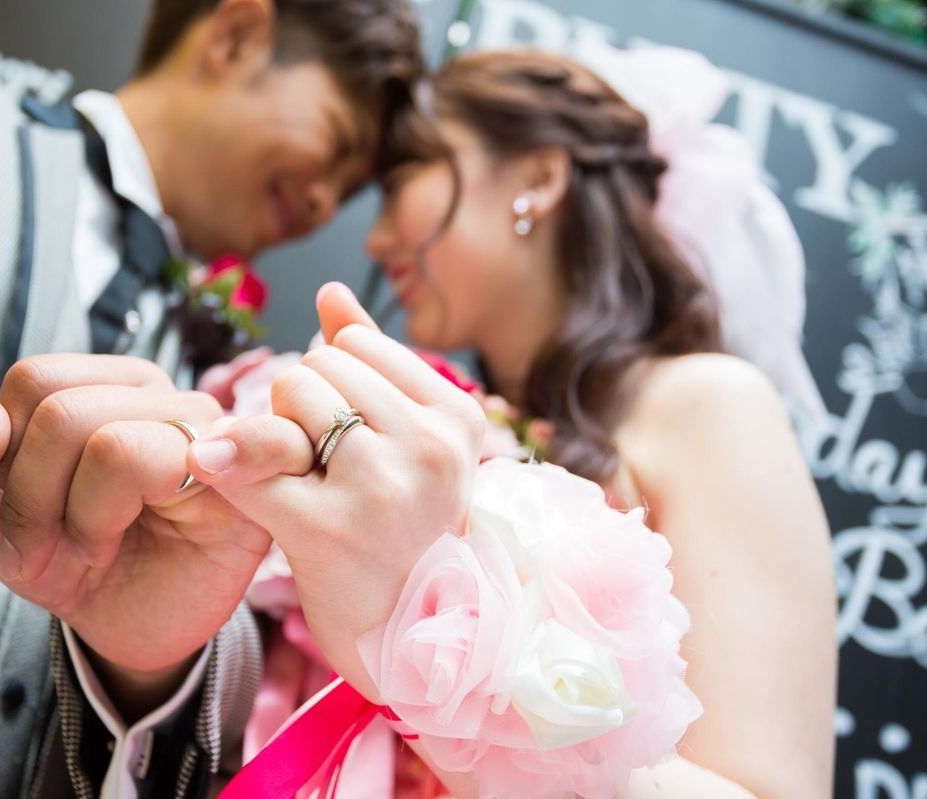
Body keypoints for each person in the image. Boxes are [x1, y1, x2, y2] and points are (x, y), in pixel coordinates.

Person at [0, 0, 424, 795]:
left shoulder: (226, 385)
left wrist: (149, 665)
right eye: (335, 145)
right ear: (236, 35)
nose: (323, 207)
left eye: (345, 193)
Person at [182, 49, 838, 797]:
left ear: (539, 178)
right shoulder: (458, 426)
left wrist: (429, 638)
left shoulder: (710, 403)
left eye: (401, 184)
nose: (376, 238)